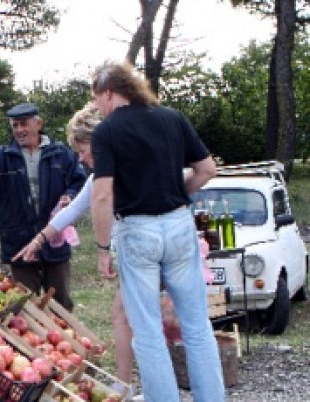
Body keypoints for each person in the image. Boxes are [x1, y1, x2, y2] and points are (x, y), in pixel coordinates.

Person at [89, 60, 225, 402]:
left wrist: (102, 248)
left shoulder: (107, 132)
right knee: (196, 325)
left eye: (97, 100)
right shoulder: (172, 118)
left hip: (137, 230)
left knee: (148, 331)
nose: (97, 108)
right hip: (179, 223)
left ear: (109, 93)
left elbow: (103, 194)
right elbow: (207, 170)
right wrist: (179, 193)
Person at [12, 104, 136, 387]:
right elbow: (72, 211)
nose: (80, 159)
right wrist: (39, 240)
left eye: (83, 150)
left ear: (100, 141)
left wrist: (104, 251)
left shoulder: (121, 168)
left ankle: (134, 386)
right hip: (135, 253)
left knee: (134, 319)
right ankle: (126, 385)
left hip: (143, 251)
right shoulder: (99, 175)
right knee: (125, 316)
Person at [0, 103, 87, 311]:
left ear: (38, 124)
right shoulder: (2, 157)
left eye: (24, 124)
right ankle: (34, 343)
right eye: (15, 125)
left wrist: (69, 196)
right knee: (25, 306)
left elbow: (79, 181)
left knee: (61, 303)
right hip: (19, 243)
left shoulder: (60, 154)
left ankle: (68, 341)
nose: (19, 130)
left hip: (54, 241)